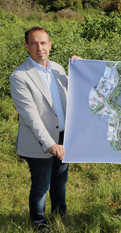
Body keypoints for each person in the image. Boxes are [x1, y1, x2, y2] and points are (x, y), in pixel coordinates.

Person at [9, 26, 81, 229]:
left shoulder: (58, 69)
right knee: (42, 186)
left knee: (60, 182)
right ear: (26, 46)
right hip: (39, 141)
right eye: (33, 43)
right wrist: (50, 144)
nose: (39, 47)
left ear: (50, 45)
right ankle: (39, 223)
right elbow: (30, 116)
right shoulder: (20, 77)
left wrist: (82, 68)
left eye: (43, 43)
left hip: (63, 137)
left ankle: (60, 216)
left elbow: (79, 92)